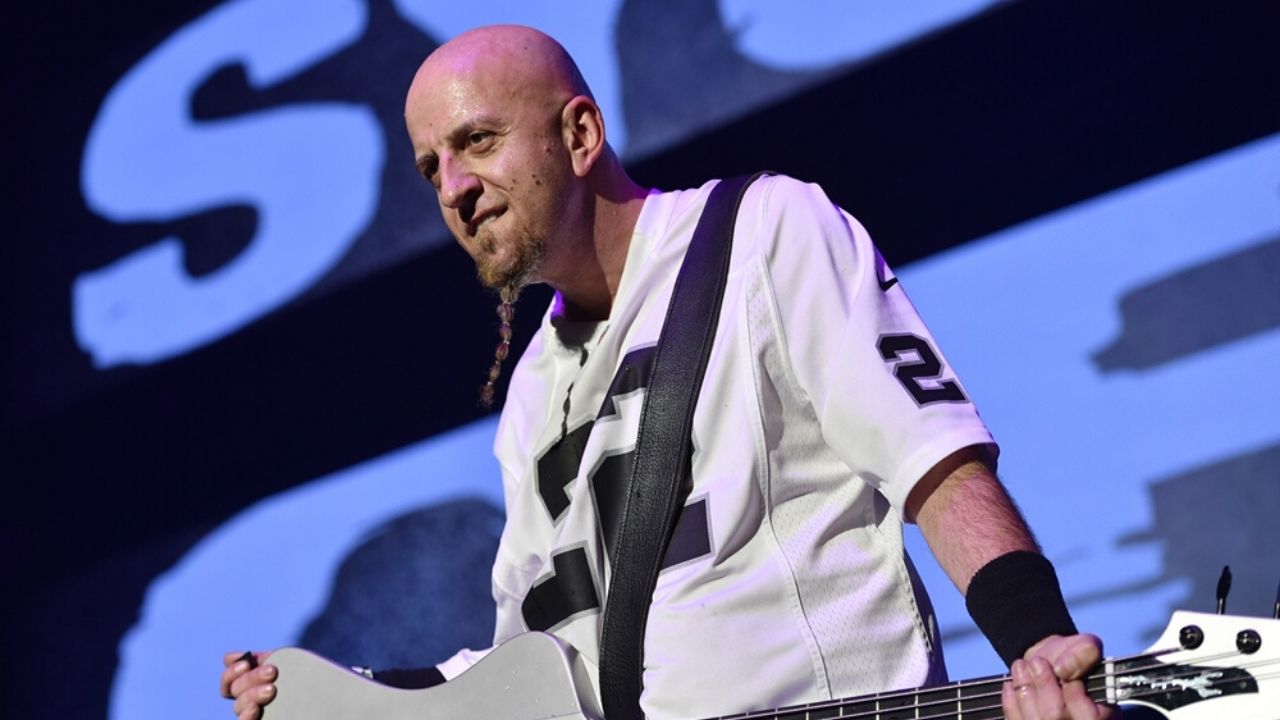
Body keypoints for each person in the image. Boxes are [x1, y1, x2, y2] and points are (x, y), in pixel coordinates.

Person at [222, 25, 1113, 720]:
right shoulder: (534, 388)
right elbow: (539, 664)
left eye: (479, 141)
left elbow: (931, 457)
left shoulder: (760, 232)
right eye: (430, 167)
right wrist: (335, 696)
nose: (453, 186)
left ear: (579, 133)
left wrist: (1041, 645)